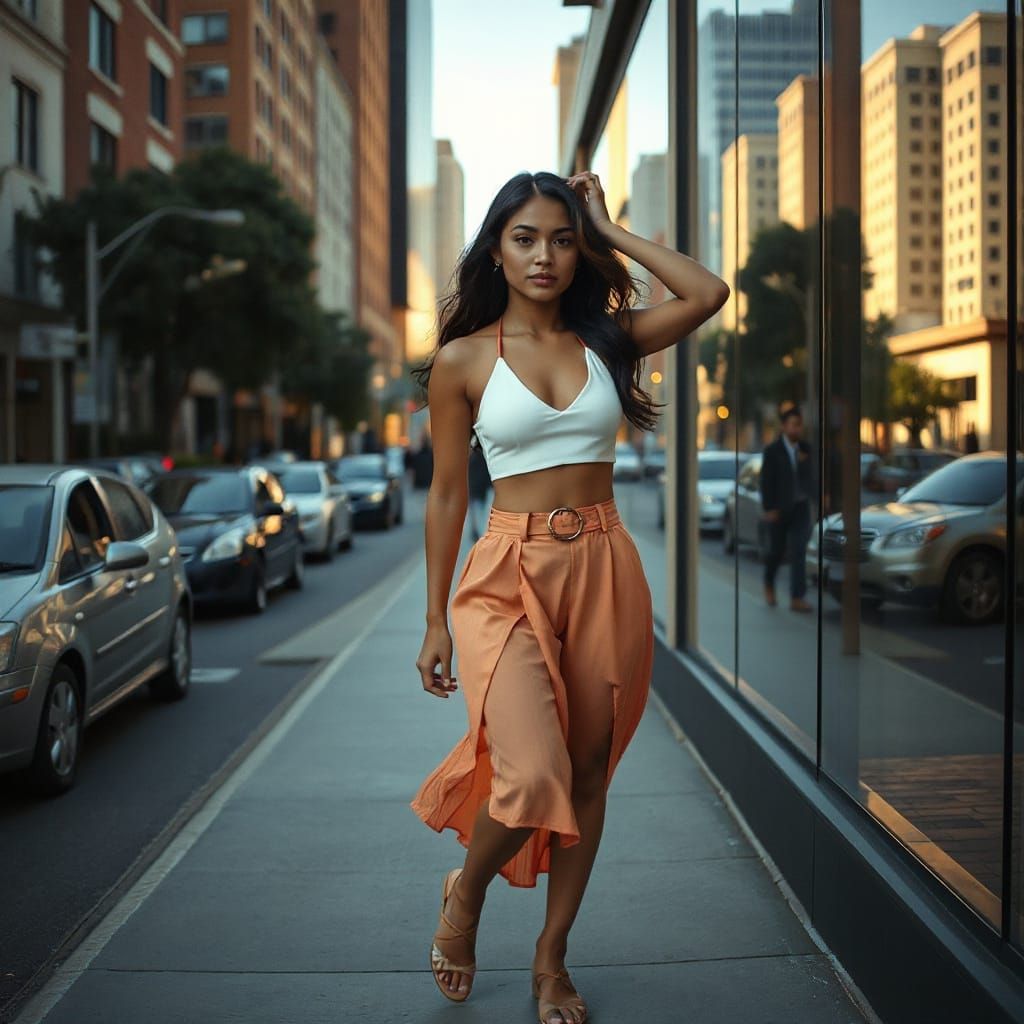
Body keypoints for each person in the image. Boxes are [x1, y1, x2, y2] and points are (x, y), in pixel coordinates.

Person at [408, 169, 728, 1024]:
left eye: (559, 237)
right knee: (531, 770)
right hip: (504, 575)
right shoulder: (464, 359)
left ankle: (551, 963)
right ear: (496, 250)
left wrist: (610, 229)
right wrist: (433, 616)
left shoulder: (609, 341)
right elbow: (446, 494)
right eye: (524, 238)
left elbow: (707, 291)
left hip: (602, 563)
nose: (543, 255)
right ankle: (466, 894)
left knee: (588, 771)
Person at [759, 404, 814, 612]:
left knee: (799, 551)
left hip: (800, 508)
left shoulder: (806, 449)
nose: (797, 429)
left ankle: (796, 597)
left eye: (799, 425)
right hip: (779, 509)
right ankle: (769, 583)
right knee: (776, 551)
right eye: (793, 425)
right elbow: (766, 481)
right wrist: (769, 507)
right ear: (784, 426)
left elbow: (811, 478)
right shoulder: (773, 451)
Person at [466, 441, 492, 541]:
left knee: (478, 518)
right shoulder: (481, 457)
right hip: (477, 492)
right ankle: (476, 534)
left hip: (477, 492)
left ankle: (479, 537)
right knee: (477, 517)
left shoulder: (475, 458)